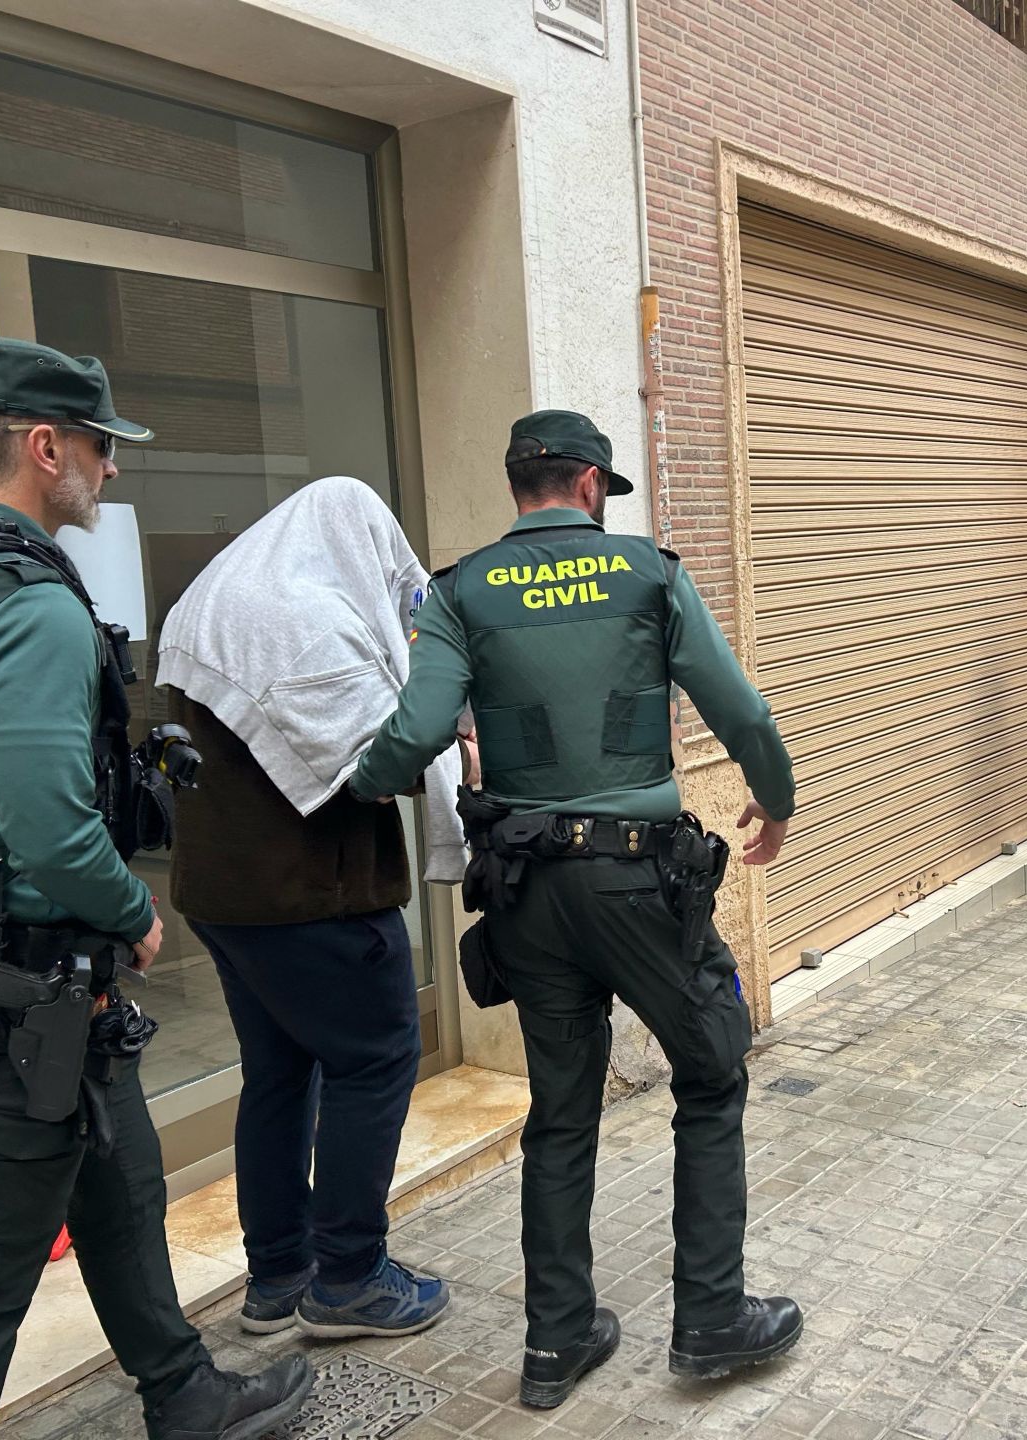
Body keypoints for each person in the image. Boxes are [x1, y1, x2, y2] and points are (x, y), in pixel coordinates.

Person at [0, 339, 310, 1440]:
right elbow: (49, 830)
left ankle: (186, 1395)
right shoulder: (27, 603)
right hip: (11, 997)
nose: (113, 470)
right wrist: (135, 912)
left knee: (123, 1185)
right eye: (99, 446)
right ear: (45, 447)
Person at [348, 410, 803, 1409]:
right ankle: (712, 1316)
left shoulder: (460, 591)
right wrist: (777, 795)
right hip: (641, 886)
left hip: (527, 896)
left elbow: (414, 732)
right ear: (591, 484)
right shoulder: (648, 575)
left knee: (559, 1117)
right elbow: (744, 714)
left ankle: (555, 1343)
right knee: (712, 1065)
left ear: (521, 485)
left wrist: (352, 781)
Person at [155, 476, 469, 1341]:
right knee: (376, 1060)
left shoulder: (210, 600)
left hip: (222, 898)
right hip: (312, 896)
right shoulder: (300, 618)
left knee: (280, 1074)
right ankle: (351, 1278)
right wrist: (443, 730)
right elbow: (378, 761)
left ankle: (277, 1274)